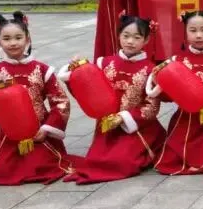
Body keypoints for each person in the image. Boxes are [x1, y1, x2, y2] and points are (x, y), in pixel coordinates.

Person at [0, 12, 71, 185]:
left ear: (28, 39)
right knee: (0, 169)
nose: (13, 43)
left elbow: (60, 101)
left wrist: (48, 128)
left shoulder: (42, 69)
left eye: (18, 37)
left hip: (38, 130)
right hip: (6, 131)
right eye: (6, 38)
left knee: (44, 164)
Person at [62, 15, 164, 183]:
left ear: (146, 40)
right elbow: (88, 92)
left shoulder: (150, 70)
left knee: (123, 161)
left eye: (137, 37)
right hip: (107, 128)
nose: (130, 41)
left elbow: (151, 107)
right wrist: (77, 70)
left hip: (137, 129)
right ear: (118, 36)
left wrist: (123, 118)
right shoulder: (104, 63)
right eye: (126, 36)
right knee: (98, 160)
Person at [149, 11, 203, 175]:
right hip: (186, 119)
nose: (198, 35)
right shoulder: (176, 61)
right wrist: (157, 81)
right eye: (193, 30)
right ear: (186, 33)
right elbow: (168, 96)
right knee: (170, 159)